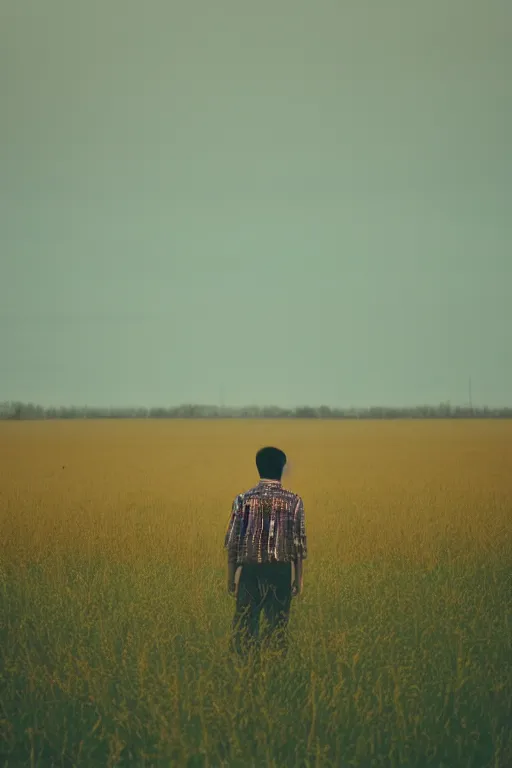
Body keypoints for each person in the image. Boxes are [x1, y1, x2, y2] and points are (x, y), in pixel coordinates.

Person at [224, 446, 307, 657]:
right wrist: (298, 578)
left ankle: (246, 672)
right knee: (277, 628)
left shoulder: (243, 500)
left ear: (258, 468)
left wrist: (231, 577)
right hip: (280, 572)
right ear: (282, 468)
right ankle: (273, 671)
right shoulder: (294, 501)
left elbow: (234, 541)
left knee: (244, 629)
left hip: (250, 572)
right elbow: (298, 543)